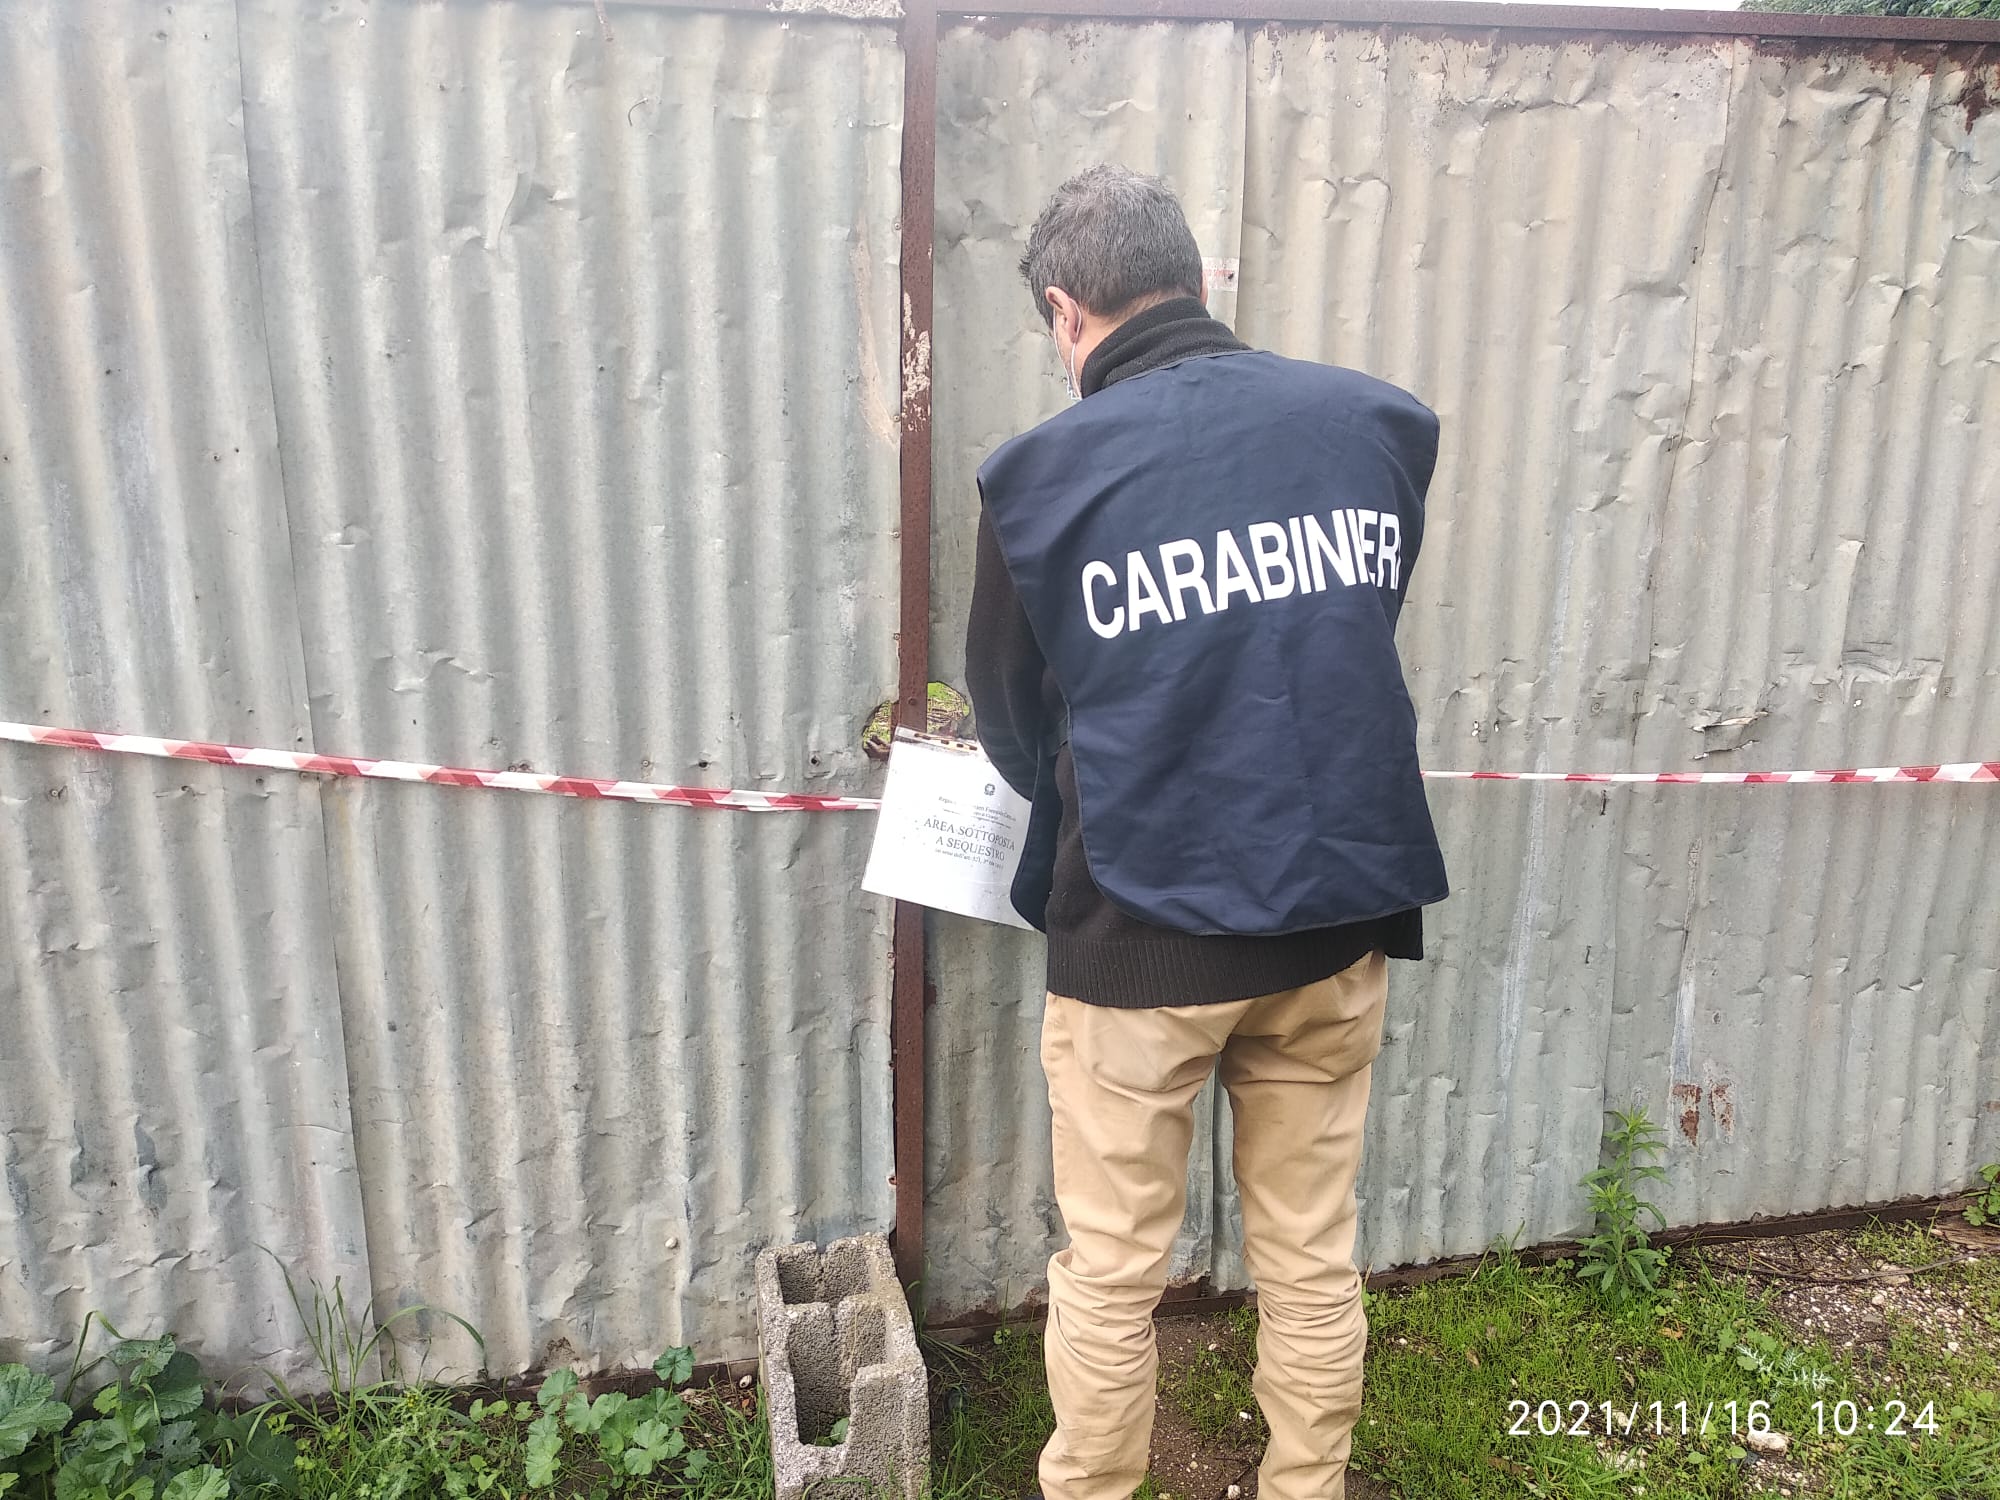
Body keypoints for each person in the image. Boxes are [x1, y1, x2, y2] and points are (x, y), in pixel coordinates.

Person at [962, 163, 1449, 1500]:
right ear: (1195, 280)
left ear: (1065, 312)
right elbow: (1341, 631)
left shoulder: (1041, 481)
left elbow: (1011, 718)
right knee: (1311, 1255)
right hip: (1336, 920)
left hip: (1138, 938)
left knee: (1113, 1274)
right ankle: (1307, 1484)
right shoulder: (1370, 426)